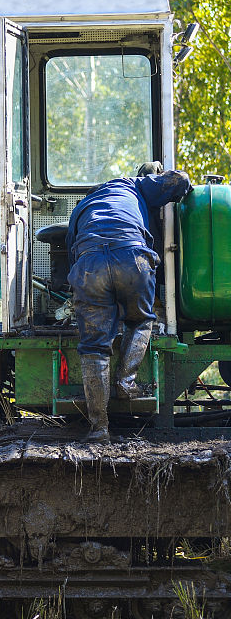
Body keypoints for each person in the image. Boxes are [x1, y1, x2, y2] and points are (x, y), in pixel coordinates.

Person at [65, 165, 191, 442]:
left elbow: (70, 250)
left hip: (89, 264)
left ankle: (98, 429)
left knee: (94, 347)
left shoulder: (84, 204)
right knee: (140, 320)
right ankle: (126, 381)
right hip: (132, 257)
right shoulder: (134, 185)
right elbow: (179, 180)